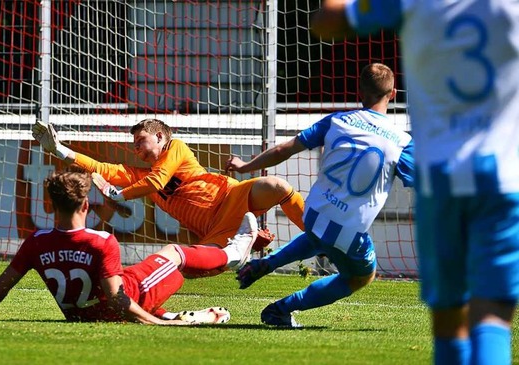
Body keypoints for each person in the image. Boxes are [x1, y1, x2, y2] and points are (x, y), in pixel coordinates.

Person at [309, 2, 519, 364]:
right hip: (503, 179)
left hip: (441, 180)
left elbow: (325, 23)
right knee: (492, 316)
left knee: (449, 317)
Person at [225, 63, 414, 328]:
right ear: (393, 93)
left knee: (322, 235)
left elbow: (283, 150)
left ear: (359, 89)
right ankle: (281, 310)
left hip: (313, 212)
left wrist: (245, 166)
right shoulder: (402, 142)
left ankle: (269, 263)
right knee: (360, 277)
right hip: (348, 228)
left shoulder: (337, 120)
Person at [0, 169, 258, 325]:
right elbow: (118, 298)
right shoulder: (102, 241)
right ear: (84, 204)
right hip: (127, 300)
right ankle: (232, 254)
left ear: (49, 205)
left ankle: (180, 316)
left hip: (83, 316)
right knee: (174, 255)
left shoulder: (36, 243)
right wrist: (151, 325)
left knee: (141, 274)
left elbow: (1, 285)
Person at [31, 118, 305, 252]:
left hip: (231, 195)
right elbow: (104, 169)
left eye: (141, 142)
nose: (136, 149)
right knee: (188, 266)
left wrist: (120, 193)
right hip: (213, 229)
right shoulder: (141, 176)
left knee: (276, 186)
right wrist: (60, 150)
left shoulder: (176, 147)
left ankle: (318, 234)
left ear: (160, 136)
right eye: (134, 146)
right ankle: (246, 239)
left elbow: (157, 181)